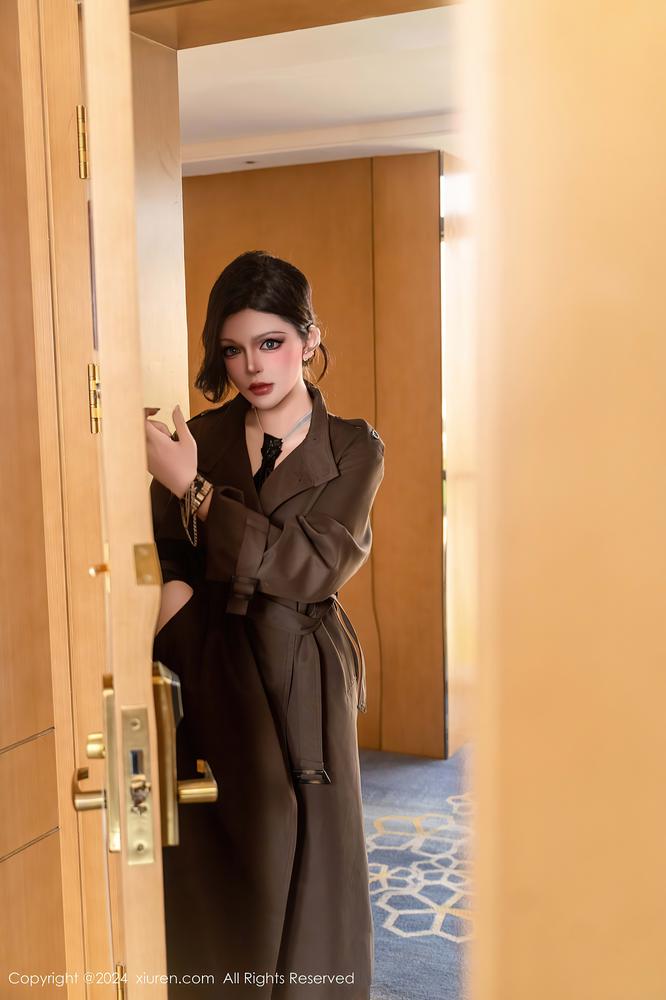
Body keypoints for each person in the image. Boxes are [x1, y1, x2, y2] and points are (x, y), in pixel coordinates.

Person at [145, 250, 385, 999]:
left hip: (301, 665)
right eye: (233, 348)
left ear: (309, 340)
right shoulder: (203, 436)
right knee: (229, 850)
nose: (252, 366)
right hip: (211, 657)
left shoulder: (354, 446)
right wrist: (177, 601)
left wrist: (196, 492)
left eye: (271, 342)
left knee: (312, 852)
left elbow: (309, 567)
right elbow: (167, 549)